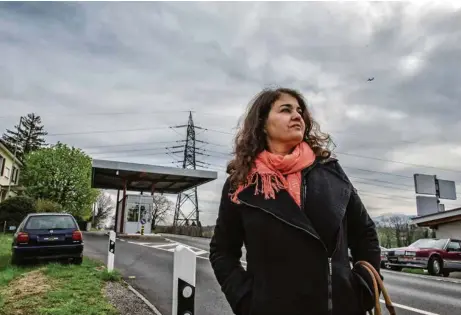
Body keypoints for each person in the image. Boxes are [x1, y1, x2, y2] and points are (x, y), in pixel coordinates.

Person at [209, 88, 381, 315]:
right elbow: (222, 251)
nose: (297, 115)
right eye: (285, 110)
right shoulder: (242, 184)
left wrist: (363, 290)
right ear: (262, 123)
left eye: (299, 111)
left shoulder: (330, 172)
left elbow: (365, 233)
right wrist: (246, 301)